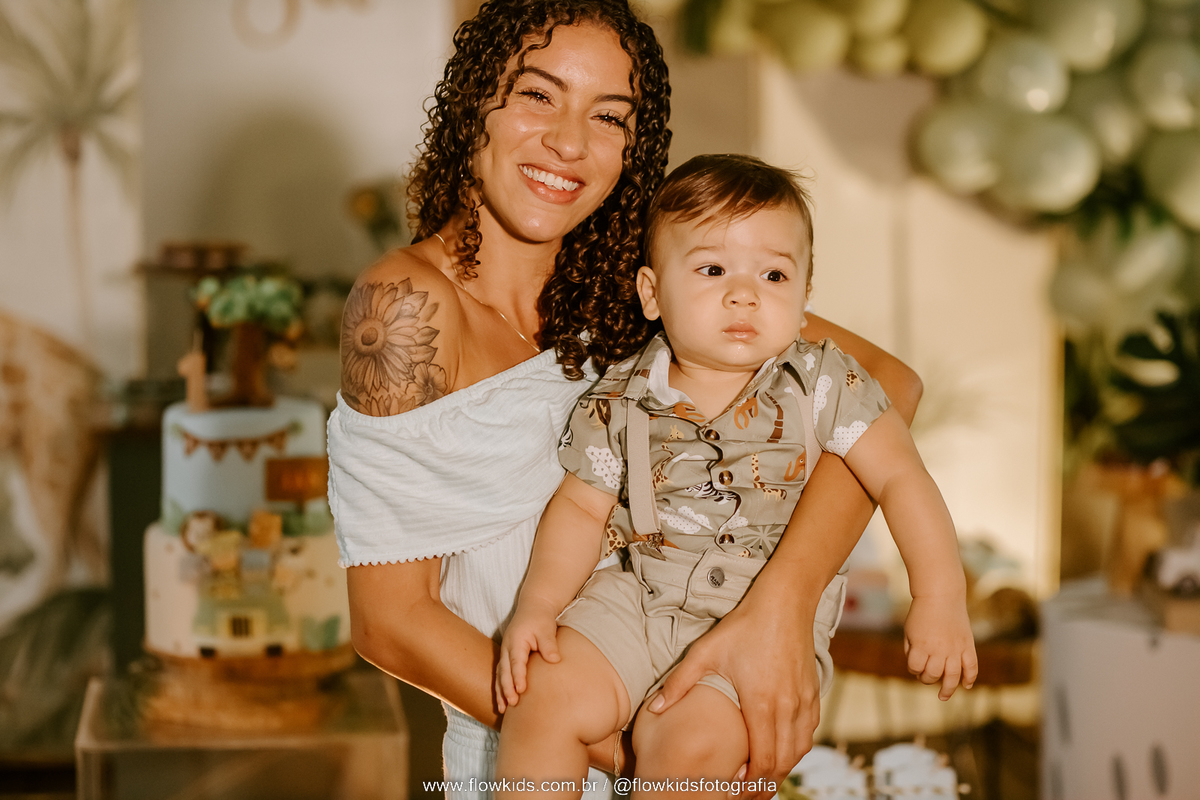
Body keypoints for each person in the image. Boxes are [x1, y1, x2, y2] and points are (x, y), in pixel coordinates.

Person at [326, 2, 924, 797]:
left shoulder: (644, 278)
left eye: (609, 117)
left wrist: (780, 608)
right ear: (475, 103)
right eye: (537, 95)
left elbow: (888, 385)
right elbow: (392, 622)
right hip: (542, 757)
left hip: (702, 728)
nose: (569, 142)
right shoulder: (405, 309)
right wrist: (630, 748)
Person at [492, 154, 977, 798]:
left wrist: (940, 596)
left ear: (805, 298)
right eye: (713, 269)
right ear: (651, 293)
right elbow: (581, 510)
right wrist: (538, 606)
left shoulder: (824, 383)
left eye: (774, 274)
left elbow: (902, 479)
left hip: (758, 626)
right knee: (543, 697)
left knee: (688, 747)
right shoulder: (619, 397)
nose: (744, 294)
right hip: (638, 602)